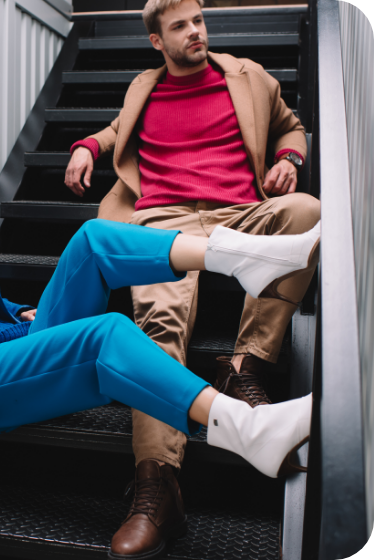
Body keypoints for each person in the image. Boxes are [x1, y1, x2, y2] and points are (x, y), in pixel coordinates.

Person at [0, 145, 318, 557]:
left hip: (13, 344)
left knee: (93, 238)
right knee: (108, 331)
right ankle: (244, 427)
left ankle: (240, 259)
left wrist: (21, 312)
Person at [64, 0, 321, 555]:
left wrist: (289, 161)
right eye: (180, 26)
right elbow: (114, 131)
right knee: (157, 322)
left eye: (198, 20)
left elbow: (291, 127)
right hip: (165, 222)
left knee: (306, 213)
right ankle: (156, 484)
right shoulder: (143, 87)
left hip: (240, 211)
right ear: (157, 41)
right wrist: (86, 147)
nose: (195, 32)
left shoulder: (248, 76)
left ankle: (244, 364)